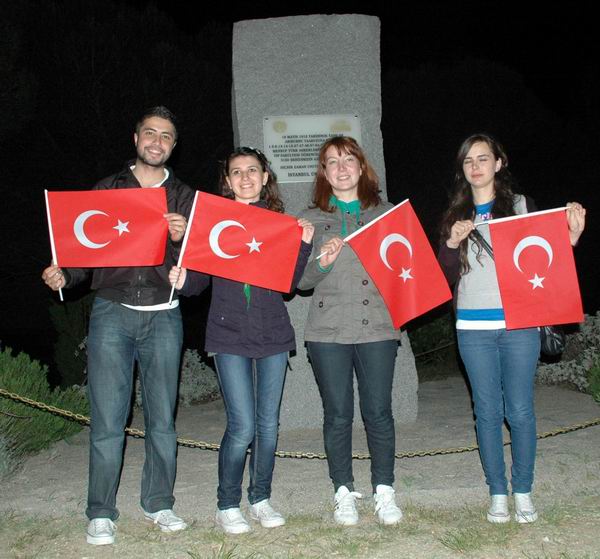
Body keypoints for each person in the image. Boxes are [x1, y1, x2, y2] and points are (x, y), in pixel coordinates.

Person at [42, 106, 195, 545]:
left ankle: (159, 503)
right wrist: (64, 275)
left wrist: (183, 240)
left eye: (166, 136)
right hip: (111, 312)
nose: (157, 142)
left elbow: (200, 267)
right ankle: (101, 511)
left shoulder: (184, 196)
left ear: (173, 145)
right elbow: (84, 249)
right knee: (108, 419)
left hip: (164, 315)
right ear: (135, 139)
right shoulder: (108, 188)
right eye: (150, 133)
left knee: (163, 419)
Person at [438, 133, 586, 524]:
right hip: (472, 327)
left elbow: (544, 258)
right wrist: (452, 245)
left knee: (520, 410)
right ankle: (497, 493)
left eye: (483, 158)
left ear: (498, 163)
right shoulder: (456, 214)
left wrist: (569, 239)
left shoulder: (521, 207)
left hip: (519, 323)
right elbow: (445, 276)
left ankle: (523, 490)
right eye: (468, 160)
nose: (475, 167)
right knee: (486, 411)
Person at [169, 146, 314, 534]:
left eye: (253, 170)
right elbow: (197, 281)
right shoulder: (213, 222)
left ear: (266, 177)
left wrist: (302, 244)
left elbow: (289, 285)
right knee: (243, 426)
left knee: (268, 426)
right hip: (228, 334)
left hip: (273, 334)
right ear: (227, 181)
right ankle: (227, 503)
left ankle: (260, 497)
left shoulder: (278, 223)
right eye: (237, 172)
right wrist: (183, 281)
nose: (246, 177)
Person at [297, 136, 403, 526]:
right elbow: (300, 282)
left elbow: (406, 272)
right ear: (323, 173)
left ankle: (385, 491)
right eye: (331, 162)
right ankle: (343, 491)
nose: (341, 167)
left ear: (361, 166)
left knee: (378, 413)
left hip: (377, 325)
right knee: (338, 415)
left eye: (347, 160)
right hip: (327, 331)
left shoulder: (388, 213)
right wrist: (322, 263)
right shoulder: (309, 218)